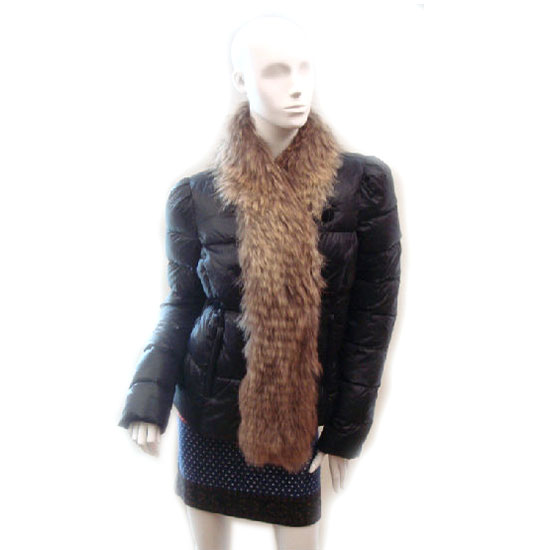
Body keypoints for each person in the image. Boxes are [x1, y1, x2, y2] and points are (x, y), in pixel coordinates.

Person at [118, 14, 401, 550]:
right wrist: (148, 397)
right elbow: (182, 303)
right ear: (241, 80)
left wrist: (347, 426)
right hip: (208, 411)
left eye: (303, 68)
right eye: (274, 71)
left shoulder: (361, 185)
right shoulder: (196, 196)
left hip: (302, 416)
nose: (296, 86)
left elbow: (373, 316)